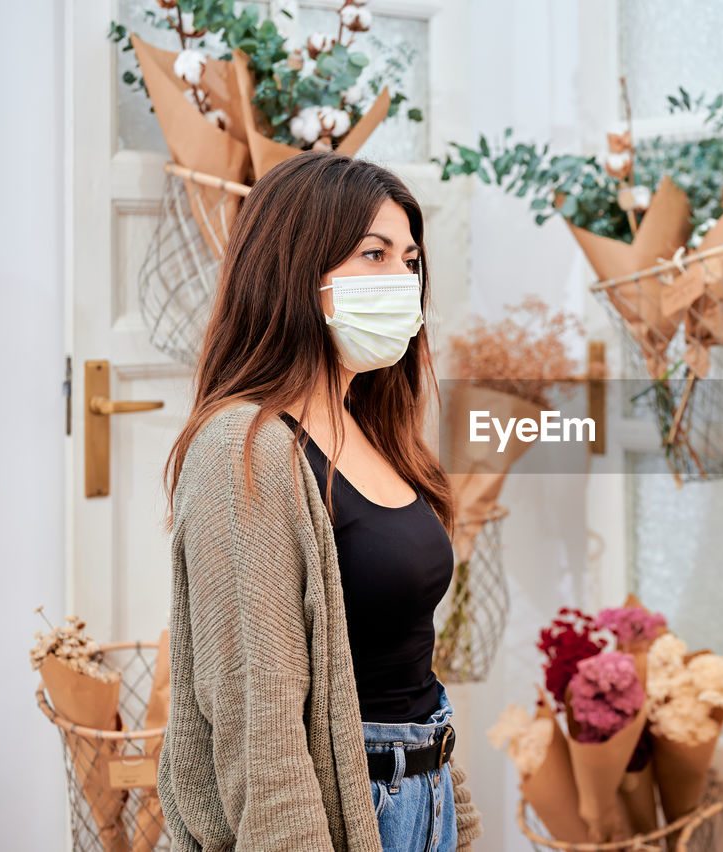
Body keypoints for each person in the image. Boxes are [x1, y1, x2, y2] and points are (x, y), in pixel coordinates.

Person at [157, 150, 481, 851]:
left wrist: (449, 801)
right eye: (374, 254)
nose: (402, 280)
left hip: (421, 794)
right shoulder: (242, 448)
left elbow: (410, 663)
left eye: (410, 259)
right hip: (342, 812)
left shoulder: (376, 427)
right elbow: (259, 722)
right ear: (297, 270)